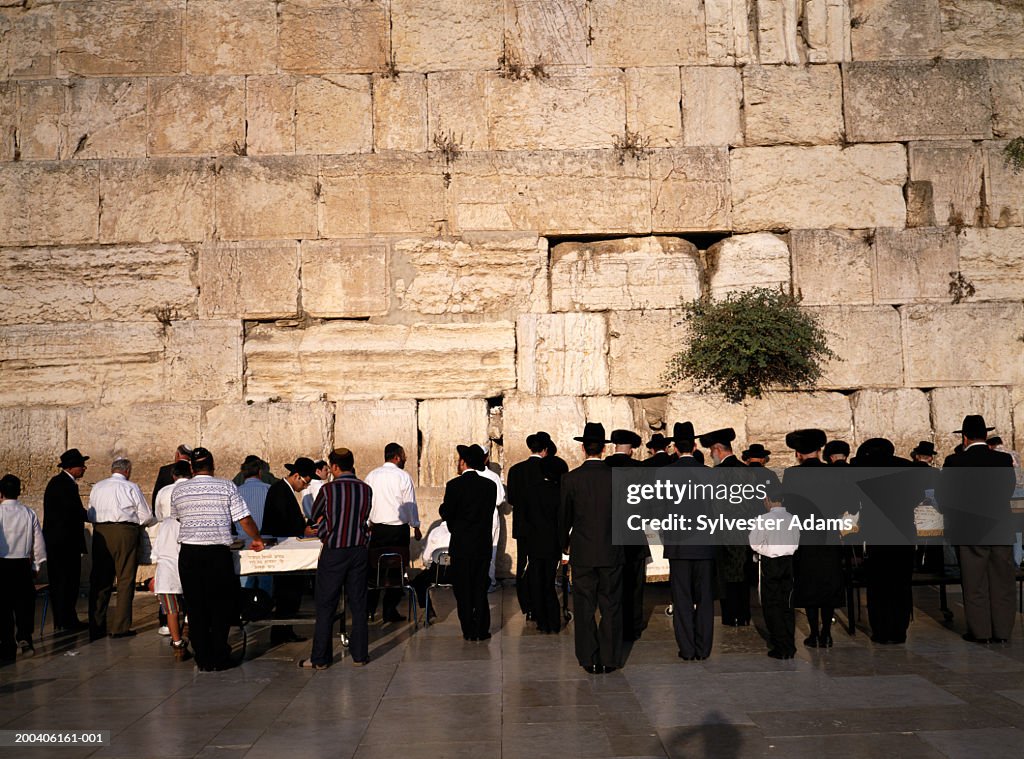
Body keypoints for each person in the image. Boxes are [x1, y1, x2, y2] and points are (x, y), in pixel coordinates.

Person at [171, 447, 264, 672]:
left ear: (192, 467)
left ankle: (203, 657)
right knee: (219, 606)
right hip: (216, 553)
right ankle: (219, 655)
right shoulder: (226, 486)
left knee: (195, 606)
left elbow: (178, 517)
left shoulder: (180, 491)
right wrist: (257, 538)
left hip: (190, 553)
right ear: (212, 466)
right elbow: (244, 518)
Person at [939, 415, 1017, 644]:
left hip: (969, 528)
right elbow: (1009, 491)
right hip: (1000, 526)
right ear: (985, 435)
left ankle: (980, 632)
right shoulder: (1003, 460)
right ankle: (1002, 632)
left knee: (974, 582)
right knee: (1003, 581)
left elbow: (945, 498)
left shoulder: (954, 462)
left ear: (964, 438)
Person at [560, 422, 624, 673]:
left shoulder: (570, 479)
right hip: (611, 551)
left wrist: (564, 548)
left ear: (583, 448)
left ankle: (588, 658)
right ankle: (610, 658)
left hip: (583, 552)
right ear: (604, 449)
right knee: (611, 606)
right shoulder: (617, 478)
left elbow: (563, 519)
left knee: (584, 606)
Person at [300, 448, 372, 669]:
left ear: (334, 467)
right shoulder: (366, 489)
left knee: (326, 603)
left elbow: (315, 515)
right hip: (358, 549)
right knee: (358, 603)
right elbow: (365, 516)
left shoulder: (329, 490)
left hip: (335, 550)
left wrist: (324, 531)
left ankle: (320, 658)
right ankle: (360, 655)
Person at [853, 437, 918, 645]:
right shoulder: (907, 467)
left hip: (876, 534)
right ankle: (899, 631)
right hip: (903, 532)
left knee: (878, 585)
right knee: (901, 583)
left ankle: (880, 631)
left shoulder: (863, 469)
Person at [784, 429, 845, 649]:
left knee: (808, 583)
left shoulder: (792, 474)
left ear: (798, 453)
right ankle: (827, 633)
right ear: (820, 450)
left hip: (805, 536)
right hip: (829, 535)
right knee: (828, 584)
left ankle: (813, 633)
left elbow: (789, 507)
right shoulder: (833, 473)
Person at [87, 457, 154, 640]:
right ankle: (120, 627)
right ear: (127, 470)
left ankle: (96, 626)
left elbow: (90, 512)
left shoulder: (97, 487)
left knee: (100, 580)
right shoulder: (131, 487)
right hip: (125, 532)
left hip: (101, 532)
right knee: (125, 579)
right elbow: (146, 515)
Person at [666, 421, 715, 660]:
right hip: (705, 545)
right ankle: (703, 649)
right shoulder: (709, 474)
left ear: (675, 447)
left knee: (682, 599)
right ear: (694, 446)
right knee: (705, 599)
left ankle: (686, 649)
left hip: (677, 545)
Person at [440, 445, 497, 641]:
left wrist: (454, 525)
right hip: (482, 544)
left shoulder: (454, 486)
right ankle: (482, 629)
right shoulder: (490, 486)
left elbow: (446, 512)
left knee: (463, 589)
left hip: (462, 545)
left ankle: (468, 630)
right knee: (480, 587)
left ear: (464, 462)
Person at [701, 427, 755, 629]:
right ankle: (744, 615)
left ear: (717, 449)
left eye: (711, 451)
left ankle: (730, 616)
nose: (710, 455)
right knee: (742, 575)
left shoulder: (715, 475)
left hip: (723, 533)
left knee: (725, 577)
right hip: (744, 532)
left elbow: (711, 506)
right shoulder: (747, 471)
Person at [261, 457, 318, 644]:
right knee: (287, 593)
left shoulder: (284, 490)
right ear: (296, 476)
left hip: (289, 548)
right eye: (306, 482)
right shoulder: (279, 491)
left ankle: (286, 631)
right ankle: (280, 633)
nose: (305, 487)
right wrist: (303, 531)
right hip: (284, 550)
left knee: (291, 593)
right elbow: (281, 523)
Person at [364, 443, 421, 623]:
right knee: (397, 570)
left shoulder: (371, 476)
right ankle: (389, 609)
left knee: (374, 570)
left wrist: (366, 524)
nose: (405, 459)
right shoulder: (403, 476)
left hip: (377, 529)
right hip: (398, 530)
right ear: (396, 457)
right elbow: (410, 503)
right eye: (403, 455)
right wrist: (416, 525)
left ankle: (369, 610)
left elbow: (367, 502)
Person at [606, 429, 650, 641]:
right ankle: (633, 626)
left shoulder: (605, 466)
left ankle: (614, 623)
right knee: (634, 584)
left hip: (609, 533)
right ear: (632, 449)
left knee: (612, 584)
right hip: (634, 533)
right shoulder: (640, 469)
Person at [749, 481, 800, 659]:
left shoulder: (763, 519)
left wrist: (767, 550)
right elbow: (795, 543)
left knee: (771, 605)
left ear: (767, 499)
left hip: (770, 564)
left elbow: (754, 544)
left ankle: (779, 646)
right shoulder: (793, 518)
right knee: (787, 603)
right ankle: (789, 645)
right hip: (788, 563)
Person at [43, 448, 89, 635]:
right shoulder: (64, 485)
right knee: (66, 582)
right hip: (64, 545)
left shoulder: (59, 483)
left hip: (60, 544)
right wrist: (95, 515)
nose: (84, 469)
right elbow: (73, 512)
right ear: (72, 467)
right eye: (81, 465)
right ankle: (66, 620)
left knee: (64, 582)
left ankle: (64, 619)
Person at [0, 474, 46, 661]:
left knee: (2, 606)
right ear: (19, 491)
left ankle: (6, 643)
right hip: (22, 564)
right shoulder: (29, 513)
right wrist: (36, 565)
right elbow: (38, 544)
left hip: (2, 563)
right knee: (24, 605)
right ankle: (25, 637)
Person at [507, 431, 552, 619]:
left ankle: (528, 605)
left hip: (523, 526)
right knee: (544, 566)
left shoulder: (516, 470)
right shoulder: (548, 468)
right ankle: (544, 603)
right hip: (545, 527)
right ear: (545, 450)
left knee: (524, 566)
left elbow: (511, 499)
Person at [153, 463, 192, 661]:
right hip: (185, 571)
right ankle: (186, 634)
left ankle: (177, 644)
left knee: (171, 611)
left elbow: (156, 551)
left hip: (166, 574)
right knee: (189, 606)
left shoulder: (166, 523)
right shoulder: (189, 523)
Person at [473, 444, 506, 593]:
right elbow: (499, 500)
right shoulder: (493, 477)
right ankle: (489, 581)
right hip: (489, 518)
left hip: (472, 519)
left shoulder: (467, 477)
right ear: (486, 459)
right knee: (490, 550)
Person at [411, 519, 452, 623]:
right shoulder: (462, 531)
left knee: (418, 581)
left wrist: (430, 566)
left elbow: (426, 558)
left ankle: (428, 610)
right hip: (458, 575)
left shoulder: (435, 532)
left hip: (437, 574)